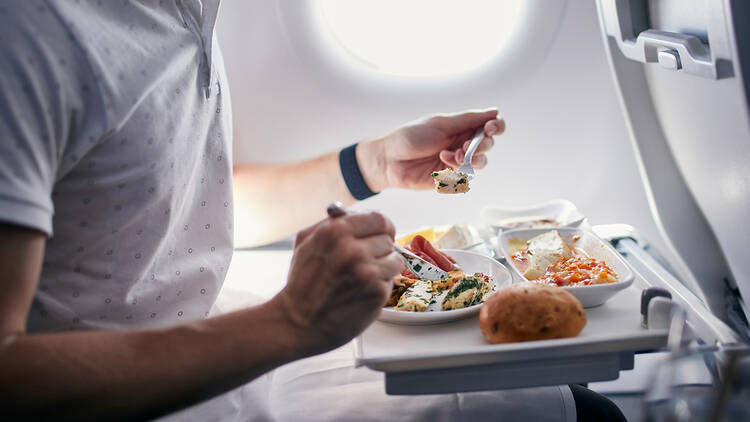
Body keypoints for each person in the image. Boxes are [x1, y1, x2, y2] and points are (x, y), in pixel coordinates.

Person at [0, 1, 624, 421]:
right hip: (157, 395)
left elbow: (179, 209)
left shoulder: (189, 12)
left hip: (231, 353)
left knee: (575, 403)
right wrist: (290, 321)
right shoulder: (32, 37)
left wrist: (374, 164)